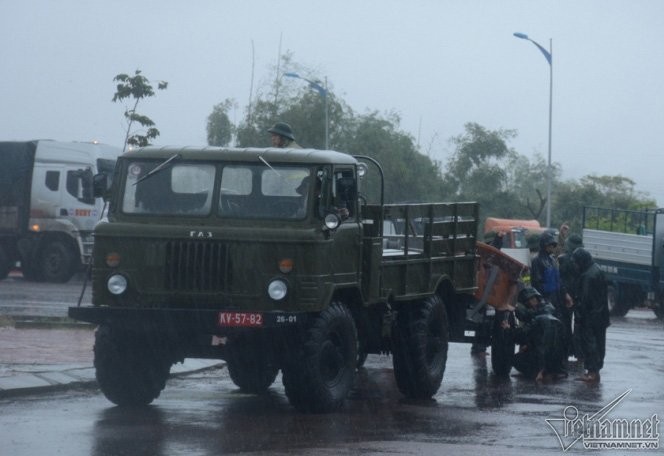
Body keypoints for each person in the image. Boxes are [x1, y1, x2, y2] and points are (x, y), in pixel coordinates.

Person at [571, 247, 609, 384]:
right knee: (599, 344)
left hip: (591, 317)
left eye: (576, 262)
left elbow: (585, 299)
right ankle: (595, 371)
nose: (575, 265)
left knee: (590, 345)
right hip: (601, 316)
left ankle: (592, 372)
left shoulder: (588, 275)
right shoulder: (597, 270)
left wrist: (579, 314)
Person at [513, 287, 567, 382]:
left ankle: (542, 371)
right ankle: (552, 370)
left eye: (532, 299)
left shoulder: (544, 312)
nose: (531, 302)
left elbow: (540, 342)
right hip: (552, 351)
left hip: (548, 350)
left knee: (516, 359)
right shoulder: (544, 311)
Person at [558, 233, 584, 360]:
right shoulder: (584, 260)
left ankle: (567, 350)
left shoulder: (563, 260)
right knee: (579, 324)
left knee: (566, 324)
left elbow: (560, 279)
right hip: (579, 296)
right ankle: (579, 352)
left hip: (566, 296)